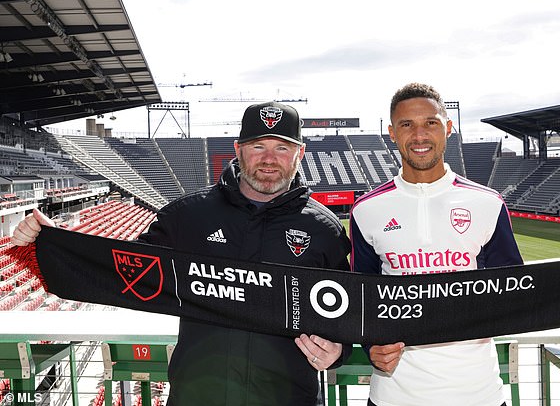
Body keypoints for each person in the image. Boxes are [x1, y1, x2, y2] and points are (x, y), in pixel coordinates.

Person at [12, 101, 352, 406]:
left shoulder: (324, 229)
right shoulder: (187, 216)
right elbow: (118, 268)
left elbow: (348, 309)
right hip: (198, 393)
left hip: (290, 397)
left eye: (282, 147)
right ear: (238, 150)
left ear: (300, 153)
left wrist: (338, 352)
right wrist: (49, 244)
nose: (268, 158)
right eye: (257, 146)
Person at [349, 82, 560, 406]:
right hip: (394, 396)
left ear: (448, 128)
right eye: (407, 125)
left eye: (431, 123)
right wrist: (372, 347)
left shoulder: (487, 203)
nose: (420, 135)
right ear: (392, 133)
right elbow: (361, 301)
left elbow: (521, 293)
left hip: (478, 393)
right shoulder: (367, 210)